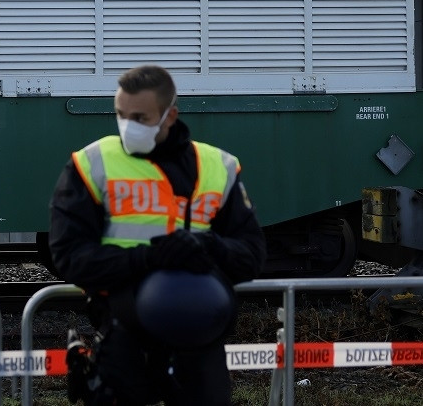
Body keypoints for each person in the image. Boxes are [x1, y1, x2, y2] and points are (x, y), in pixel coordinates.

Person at [49, 65, 267, 406]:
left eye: (140, 117)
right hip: (125, 331)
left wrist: (207, 246)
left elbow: (252, 256)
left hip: (199, 334)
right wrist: (148, 258)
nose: (127, 126)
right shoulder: (91, 164)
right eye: (121, 115)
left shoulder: (218, 166)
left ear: (170, 115)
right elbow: (69, 257)